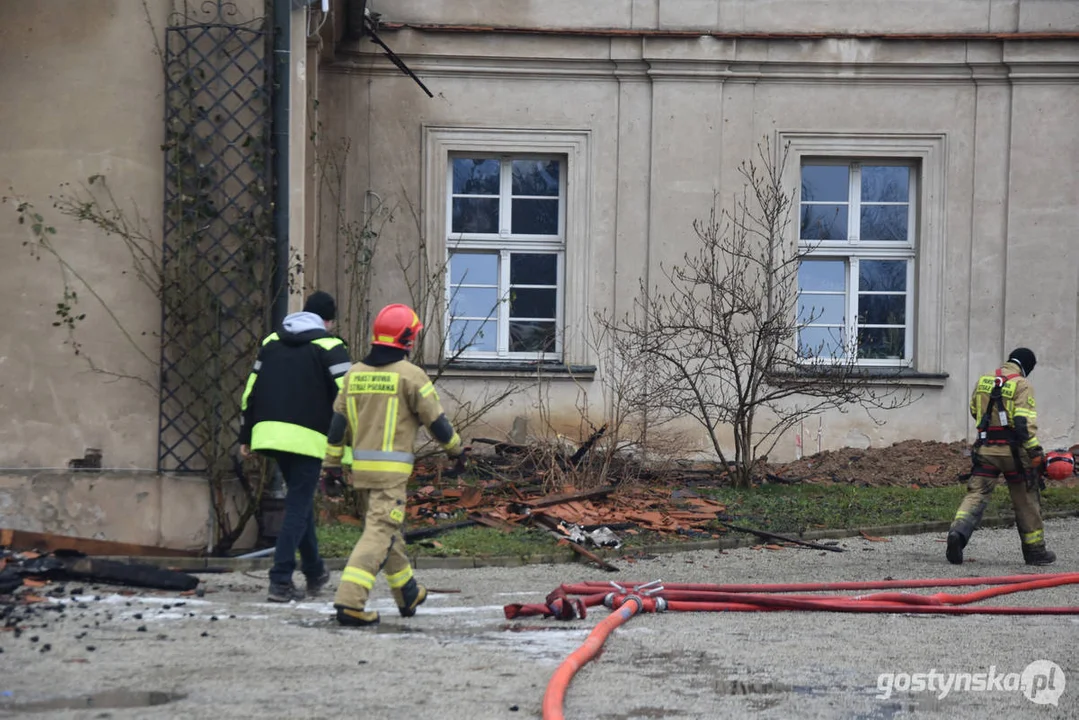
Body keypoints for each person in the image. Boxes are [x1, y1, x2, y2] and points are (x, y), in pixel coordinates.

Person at [321, 303, 466, 626]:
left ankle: (407, 592)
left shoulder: (353, 375)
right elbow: (437, 422)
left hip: (361, 474)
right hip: (391, 477)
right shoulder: (410, 376)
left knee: (388, 533)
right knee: (379, 533)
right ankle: (350, 602)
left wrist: (330, 466)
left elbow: (336, 426)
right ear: (407, 340)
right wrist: (456, 451)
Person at [239, 291, 353, 601]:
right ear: (328, 321)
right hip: (309, 437)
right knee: (298, 506)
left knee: (299, 503)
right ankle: (280, 580)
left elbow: (250, 390)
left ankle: (315, 571)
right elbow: (350, 398)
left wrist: (245, 436)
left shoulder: (271, 343)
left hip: (270, 434)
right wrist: (351, 447)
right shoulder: (331, 346)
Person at [947, 347, 1055, 566]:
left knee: (977, 493)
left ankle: (957, 534)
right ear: (1027, 366)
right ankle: (1035, 552)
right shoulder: (1022, 385)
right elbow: (1023, 425)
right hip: (1014, 454)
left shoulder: (984, 380)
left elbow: (974, 411)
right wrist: (1035, 452)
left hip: (986, 449)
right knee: (1025, 499)